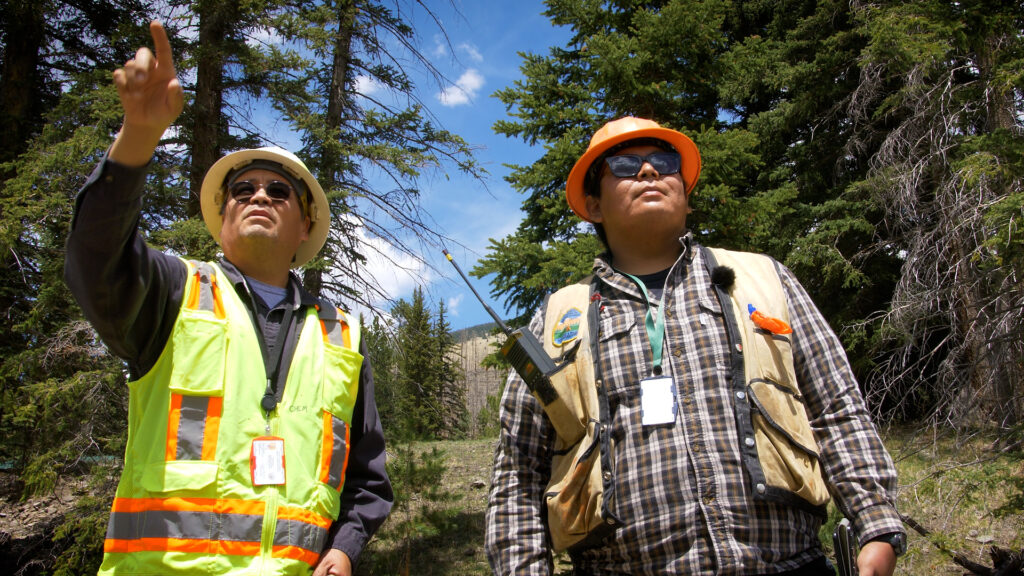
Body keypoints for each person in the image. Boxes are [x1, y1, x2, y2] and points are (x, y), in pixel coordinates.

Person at [484, 117, 906, 576]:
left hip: (790, 564)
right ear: (594, 205)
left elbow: (836, 408)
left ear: (685, 195)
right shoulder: (554, 321)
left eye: (664, 163)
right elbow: (517, 472)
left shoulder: (766, 279)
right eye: (625, 165)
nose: (649, 173)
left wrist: (877, 527)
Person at [64, 21, 392, 576]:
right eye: (243, 190)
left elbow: (366, 480)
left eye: (277, 190)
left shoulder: (340, 339)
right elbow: (93, 260)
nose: (259, 195)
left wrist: (346, 545)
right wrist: (137, 138)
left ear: (306, 222)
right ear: (223, 221)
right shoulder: (173, 293)